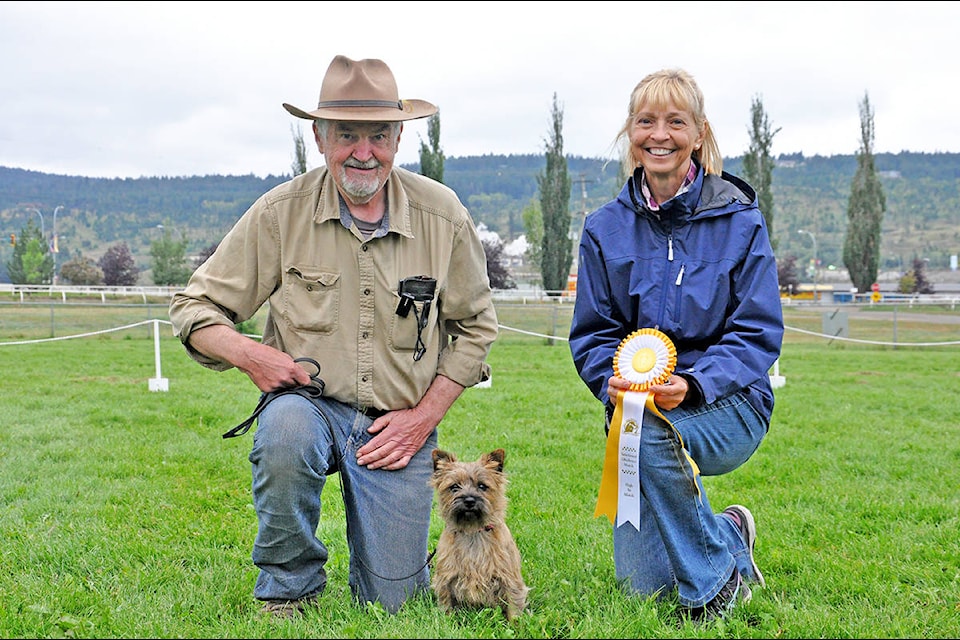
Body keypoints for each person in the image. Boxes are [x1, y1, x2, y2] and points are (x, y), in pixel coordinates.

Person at [168, 54, 498, 618]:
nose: (363, 151)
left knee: (395, 606)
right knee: (284, 431)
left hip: (398, 427)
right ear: (320, 137)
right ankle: (289, 591)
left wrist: (423, 420)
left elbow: (476, 329)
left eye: (378, 135)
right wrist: (251, 355)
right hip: (311, 408)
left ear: (398, 138)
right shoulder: (279, 213)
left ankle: (386, 572)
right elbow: (193, 308)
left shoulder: (443, 216)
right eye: (347, 134)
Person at [568, 68, 784, 623]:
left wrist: (693, 384)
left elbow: (758, 331)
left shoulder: (740, 219)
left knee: (658, 432)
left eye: (675, 121)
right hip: (634, 413)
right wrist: (609, 382)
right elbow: (594, 334)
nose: (658, 135)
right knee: (644, 591)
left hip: (729, 401)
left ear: (699, 133)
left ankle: (717, 584)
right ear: (629, 132)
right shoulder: (602, 229)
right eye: (645, 121)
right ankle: (729, 536)